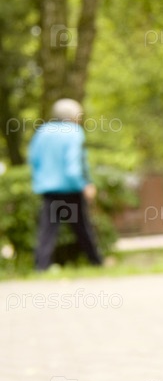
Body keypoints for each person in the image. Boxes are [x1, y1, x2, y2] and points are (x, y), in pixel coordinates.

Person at [28, 98, 103, 271]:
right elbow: (73, 166)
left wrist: (41, 181)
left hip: (49, 190)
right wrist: (84, 185)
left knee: (47, 231)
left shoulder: (42, 132)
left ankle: (41, 267)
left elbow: (34, 159)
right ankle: (96, 262)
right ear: (73, 116)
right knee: (83, 229)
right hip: (71, 189)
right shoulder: (74, 132)